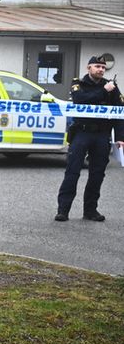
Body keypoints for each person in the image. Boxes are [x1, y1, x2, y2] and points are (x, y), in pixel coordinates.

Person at [54, 55, 124, 222]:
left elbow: (120, 113)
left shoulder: (112, 87)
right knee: (72, 172)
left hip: (101, 135)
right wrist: (103, 91)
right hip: (82, 133)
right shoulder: (79, 83)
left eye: (103, 67)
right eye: (97, 66)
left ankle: (90, 211)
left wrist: (121, 137)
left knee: (97, 174)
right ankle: (63, 210)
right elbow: (80, 100)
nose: (100, 70)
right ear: (89, 68)